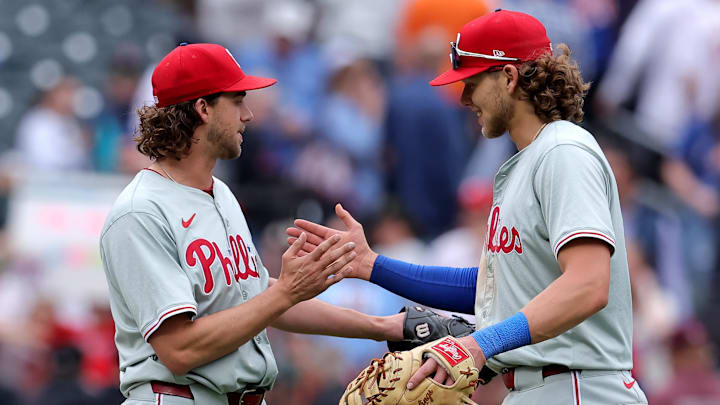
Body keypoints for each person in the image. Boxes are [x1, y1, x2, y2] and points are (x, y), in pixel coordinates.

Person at [288, 10, 648, 404]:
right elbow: (497, 288)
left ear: (509, 78)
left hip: (579, 388)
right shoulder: (524, 163)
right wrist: (372, 266)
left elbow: (589, 285)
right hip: (544, 385)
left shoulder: (562, 151)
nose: (463, 99)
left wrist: (479, 344)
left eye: (471, 83)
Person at [99, 43, 404, 405]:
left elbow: (260, 297)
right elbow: (179, 349)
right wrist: (286, 291)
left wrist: (385, 327)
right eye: (238, 101)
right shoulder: (141, 212)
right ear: (203, 109)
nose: (248, 115)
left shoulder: (221, 194)